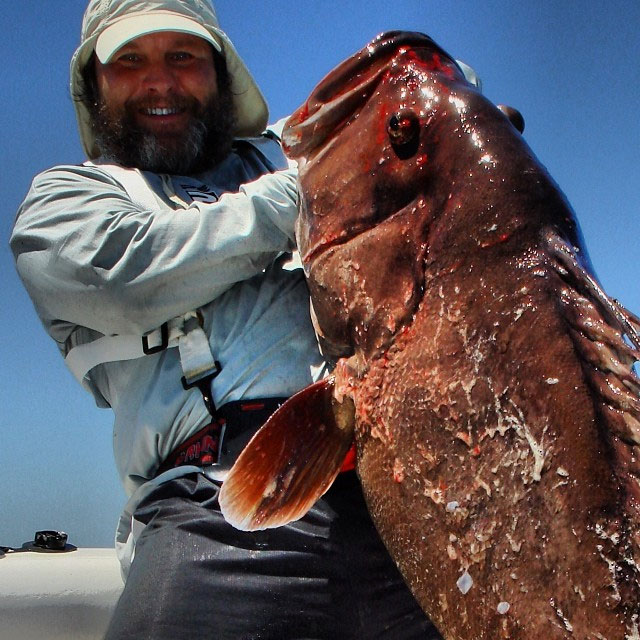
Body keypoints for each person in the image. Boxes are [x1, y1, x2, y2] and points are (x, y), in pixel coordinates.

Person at [11, 0, 443, 638]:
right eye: (130, 61)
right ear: (94, 85)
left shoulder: (297, 157)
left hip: (399, 502)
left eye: (182, 56)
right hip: (211, 513)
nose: (159, 80)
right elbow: (126, 277)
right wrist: (316, 186)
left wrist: (426, 113)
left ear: (220, 73)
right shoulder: (63, 201)